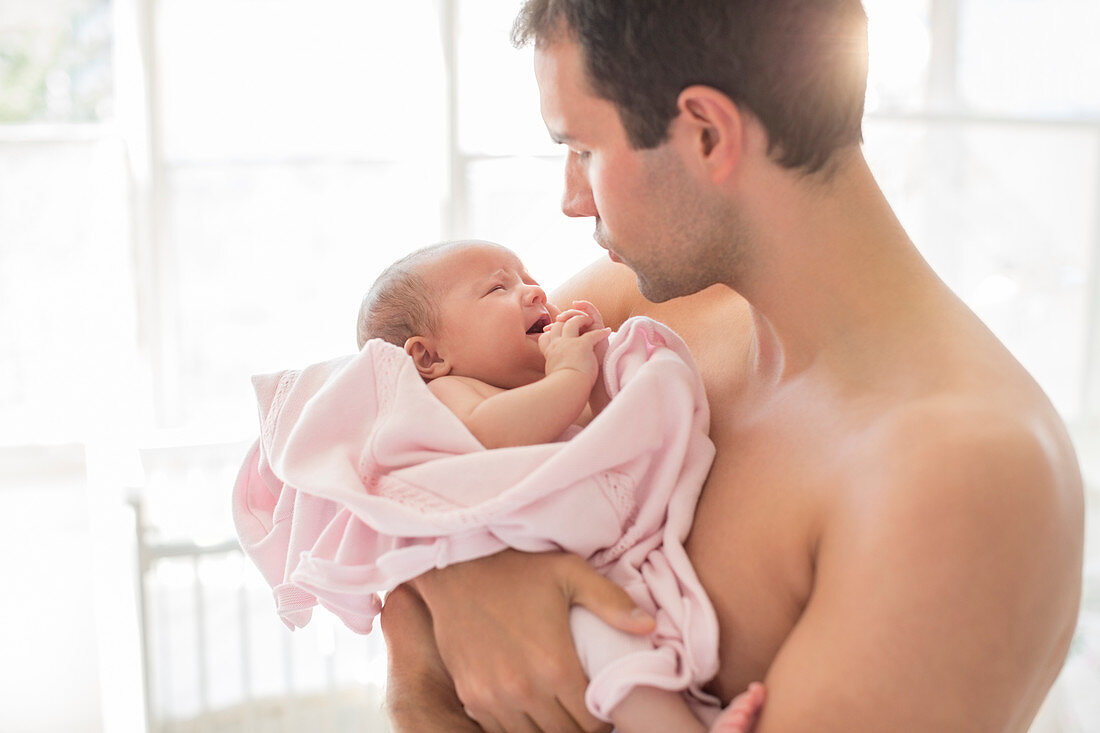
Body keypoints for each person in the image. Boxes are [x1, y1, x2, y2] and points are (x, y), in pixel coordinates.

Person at [379, 2, 1086, 732]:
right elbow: (377, 436)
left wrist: (437, 595)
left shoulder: (953, 479)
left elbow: (414, 639)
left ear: (708, 134)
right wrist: (468, 572)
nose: (571, 199)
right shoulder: (627, 308)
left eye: (583, 149)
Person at [235, 238, 766, 732]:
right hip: (539, 600)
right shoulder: (447, 396)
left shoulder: (538, 385)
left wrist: (603, 370)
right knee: (615, 651)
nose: (533, 290)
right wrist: (570, 372)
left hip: (570, 577)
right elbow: (501, 434)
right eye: (498, 288)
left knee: (636, 638)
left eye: (526, 277)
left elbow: (609, 442)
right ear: (428, 357)